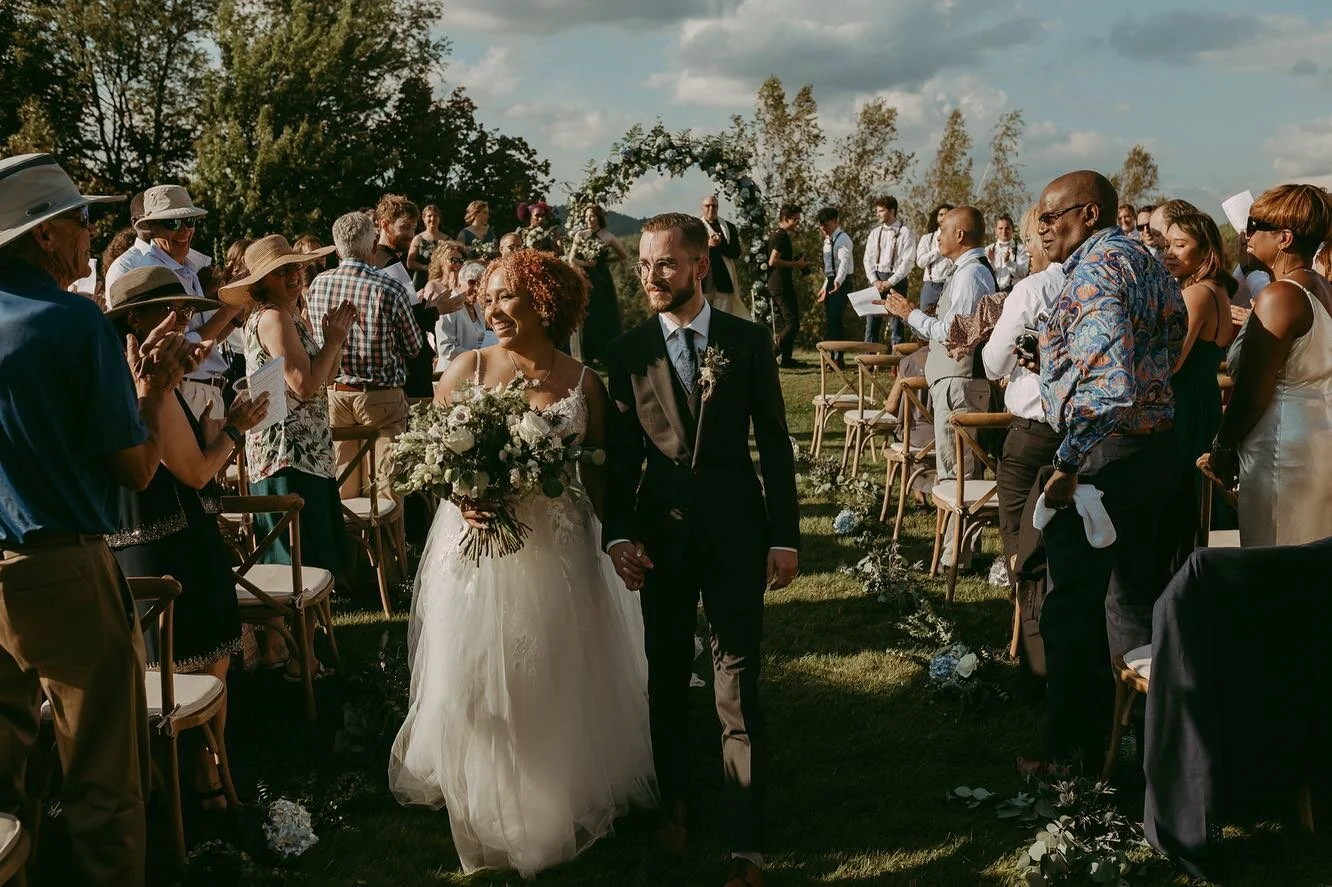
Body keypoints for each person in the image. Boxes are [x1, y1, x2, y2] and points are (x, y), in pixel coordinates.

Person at [389, 249, 657, 879]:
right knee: (478, 674)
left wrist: (618, 539)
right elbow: (432, 460)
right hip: (477, 556)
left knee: (555, 671)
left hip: (558, 552)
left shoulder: (582, 380)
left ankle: (554, 798)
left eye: (508, 296)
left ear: (546, 303)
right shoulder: (467, 367)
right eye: (489, 296)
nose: (493, 308)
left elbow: (598, 474)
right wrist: (460, 495)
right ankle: (486, 801)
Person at [0, 152, 201, 886]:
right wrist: (155, 389)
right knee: (103, 773)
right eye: (81, 219)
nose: (94, 234)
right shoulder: (73, 322)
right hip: (61, 567)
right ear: (43, 236)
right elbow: (137, 468)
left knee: (2, 777)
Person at [603, 213, 800, 887]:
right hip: (659, 541)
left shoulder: (745, 342)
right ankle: (675, 804)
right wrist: (619, 534)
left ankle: (747, 843)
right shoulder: (628, 352)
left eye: (665, 263)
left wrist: (784, 534)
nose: (652, 276)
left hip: (737, 534)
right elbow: (620, 459)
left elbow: (773, 441)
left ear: (698, 267)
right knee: (665, 676)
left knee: (737, 686)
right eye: (644, 265)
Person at [1032, 170, 1185, 770]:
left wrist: (1068, 464)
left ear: (1090, 213)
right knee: (1135, 604)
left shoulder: (1095, 271)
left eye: (1051, 215)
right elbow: (1168, 343)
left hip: (1103, 456)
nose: (1043, 228)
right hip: (1155, 452)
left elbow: (1108, 387)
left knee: (1070, 608)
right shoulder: (1146, 262)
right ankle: (1150, 755)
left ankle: (1070, 758)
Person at [104, 265, 270, 811]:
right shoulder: (146, 389)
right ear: (136, 320)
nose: (184, 322)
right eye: (171, 311)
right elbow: (197, 472)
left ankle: (168, 777)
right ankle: (208, 776)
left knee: (154, 671)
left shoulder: (107, 378)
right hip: (176, 552)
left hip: (128, 553)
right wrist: (237, 429)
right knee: (203, 664)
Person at [220, 235, 357, 672]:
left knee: (295, 556)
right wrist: (333, 338)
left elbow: (321, 376)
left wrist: (334, 340)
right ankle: (302, 659)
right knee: (299, 557)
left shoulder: (285, 315)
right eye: (283, 271)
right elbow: (304, 384)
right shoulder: (275, 317)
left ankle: (282, 651)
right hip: (289, 452)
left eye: (296, 267)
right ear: (263, 282)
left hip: (301, 449)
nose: (295, 275)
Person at [1204, 184, 1332, 547]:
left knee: (1274, 558)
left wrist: (1223, 447)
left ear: (1284, 238)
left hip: (1282, 446)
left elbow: (1253, 392)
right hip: (1319, 438)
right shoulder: (1323, 287)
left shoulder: (1280, 296)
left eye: (1255, 225)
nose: (1246, 234)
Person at [882, 207, 996, 573]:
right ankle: (961, 553)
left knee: (955, 472)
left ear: (961, 234)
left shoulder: (971, 275)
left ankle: (954, 559)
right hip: (955, 381)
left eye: (942, 229)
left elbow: (953, 333)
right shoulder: (966, 273)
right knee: (958, 469)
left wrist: (910, 314)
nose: (937, 236)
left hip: (961, 382)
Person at [306, 211, 419, 499]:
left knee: (344, 492)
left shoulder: (318, 284)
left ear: (337, 248)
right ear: (371, 247)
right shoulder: (390, 287)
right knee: (387, 494)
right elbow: (414, 346)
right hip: (381, 399)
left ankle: (352, 543)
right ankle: (388, 543)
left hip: (335, 394)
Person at [106, 185, 242, 423]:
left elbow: (206, 339)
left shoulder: (187, 268)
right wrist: (230, 307)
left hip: (205, 389)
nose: (185, 230)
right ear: (152, 228)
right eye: (173, 223)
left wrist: (238, 310)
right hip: (183, 390)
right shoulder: (151, 274)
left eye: (189, 221)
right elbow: (177, 343)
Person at [983, 206, 1065, 570]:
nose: (1026, 250)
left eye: (1029, 240)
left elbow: (994, 362)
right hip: (1086, 435)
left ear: (1048, 239)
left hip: (1033, 436)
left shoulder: (1031, 290)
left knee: (1022, 542)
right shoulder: (1104, 282)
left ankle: (1029, 624)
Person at [1160, 211, 1235, 566]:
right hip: (1203, 402)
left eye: (1180, 245)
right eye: (1166, 244)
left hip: (1184, 408)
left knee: (1181, 509)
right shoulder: (1218, 288)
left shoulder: (1196, 295)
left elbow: (1171, 362)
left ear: (1205, 251)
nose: (1169, 253)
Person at [372, 195, 436, 398]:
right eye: (405, 227)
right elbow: (414, 320)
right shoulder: (390, 264)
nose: (410, 234)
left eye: (413, 228)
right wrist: (439, 308)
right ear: (384, 224)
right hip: (408, 370)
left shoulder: (373, 258)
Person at [568, 204, 628, 364]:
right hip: (585, 278)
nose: (589, 219)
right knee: (588, 313)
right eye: (587, 216)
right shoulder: (580, 235)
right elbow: (571, 259)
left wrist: (605, 262)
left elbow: (623, 254)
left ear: (598, 217)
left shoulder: (608, 236)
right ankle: (587, 353)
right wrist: (586, 264)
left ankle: (605, 353)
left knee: (604, 313)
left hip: (602, 280)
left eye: (592, 216)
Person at [862, 195, 915, 346]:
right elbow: (868, 259)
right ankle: (869, 361)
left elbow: (908, 262)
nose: (877, 214)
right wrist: (874, 281)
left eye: (881, 211)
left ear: (892, 211)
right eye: (877, 211)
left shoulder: (906, 233)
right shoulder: (874, 233)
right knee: (872, 322)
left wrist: (890, 282)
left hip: (896, 279)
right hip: (877, 279)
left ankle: (896, 363)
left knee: (897, 321)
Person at [766, 203, 807, 367]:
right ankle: (772, 354)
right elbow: (773, 260)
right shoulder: (781, 236)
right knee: (792, 322)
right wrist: (795, 264)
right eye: (795, 219)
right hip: (780, 285)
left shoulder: (776, 234)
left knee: (792, 320)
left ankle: (787, 359)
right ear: (785, 219)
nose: (798, 223)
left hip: (781, 283)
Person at [434, 260, 494, 369]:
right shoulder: (449, 305)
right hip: (452, 372)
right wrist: (478, 356)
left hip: (475, 370)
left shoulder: (477, 304)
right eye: (472, 282)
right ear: (460, 282)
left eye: (481, 283)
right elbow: (446, 349)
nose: (477, 288)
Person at [814, 206, 854, 364]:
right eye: (821, 225)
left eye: (826, 224)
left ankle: (838, 357)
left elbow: (844, 263)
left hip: (842, 281)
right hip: (831, 281)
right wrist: (825, 286)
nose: (823, 228)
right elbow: (828, 269)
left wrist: (838, 282)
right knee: (830, 320)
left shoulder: (843, 239)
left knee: (836, 319)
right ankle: (831, 356)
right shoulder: (826, 242)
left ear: (835, 222)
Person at [699, 194, 747, 318]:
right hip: (704, 280)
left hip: (724, 278)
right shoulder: (696, 228)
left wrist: (720, 244)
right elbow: (691, 253)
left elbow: (736, 252)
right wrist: (708, 245)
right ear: (702, 208)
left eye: (714, 206)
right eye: (707, 206)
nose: (711, 209)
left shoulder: (729, 228)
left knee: (723, 316)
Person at [916, 203, 955, 313]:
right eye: (941, 214)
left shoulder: (956, 238)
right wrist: (939, 250)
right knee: (925, 321)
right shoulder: (927, 238)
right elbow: (920, 262)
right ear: (937, 218)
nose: (944, 217)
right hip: (931, 286)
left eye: (947, 214)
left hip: (950, 285)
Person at [407, 203, 447, 290]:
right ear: (423, 218)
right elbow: (410, 263)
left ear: (439, 218)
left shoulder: (447, 239)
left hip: (441, 280)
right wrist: (426, 267)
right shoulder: (418, 238)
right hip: (421, 281)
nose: (432, 219)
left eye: (435, 216)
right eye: (429, 216)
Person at [987, 214, 1029, 293]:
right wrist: (991, 262)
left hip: (1015, 292)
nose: (1004, 231)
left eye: (1007, 228)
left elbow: (1024, 273)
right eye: (1000, 228)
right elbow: (986, 275)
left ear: (1012, 230)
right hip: (994, 293)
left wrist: (1009, 263)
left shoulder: (1021, 249)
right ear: (995, 230)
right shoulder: (988, 250)